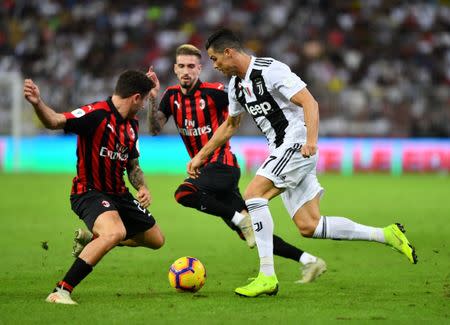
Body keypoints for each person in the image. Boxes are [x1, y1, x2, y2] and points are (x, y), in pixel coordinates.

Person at [187, 29, 418, 297]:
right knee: (310, 225)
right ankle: (387, 234)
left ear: (229, 52)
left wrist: (310, 140)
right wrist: (201, 155)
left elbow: (310, 102)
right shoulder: (236, 86)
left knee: (253, 195)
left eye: (215, 59)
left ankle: (267, 276)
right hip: (283, 149)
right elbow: (231, 124)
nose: (214, 66)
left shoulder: (271, 69)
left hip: (296, 143)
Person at [147, 44, 326, 284]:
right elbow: (155, 129)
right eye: (181, 66)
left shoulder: (216, 92)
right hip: (205, 169)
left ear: (200, 68)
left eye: (192, 66)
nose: (186, 71)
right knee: (253, 231)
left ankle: (242, 220)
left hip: (223, 165)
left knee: (184, 193)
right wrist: (151, 100)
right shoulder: (170, 97)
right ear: (175, 69)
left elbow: (241, 109)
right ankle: (309, 261)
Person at [23, 69, 165, 305]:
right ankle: (61, 291)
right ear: (136, 97)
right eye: (143, 101)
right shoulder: (95, 114)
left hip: (119, 193)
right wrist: (38, 104)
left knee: (156, 240)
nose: (142, 107)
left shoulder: (131, 126)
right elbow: (56, 121)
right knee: (115, 232)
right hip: (88, 191)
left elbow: (132, 164)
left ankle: (93, 238)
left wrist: (143, 187)